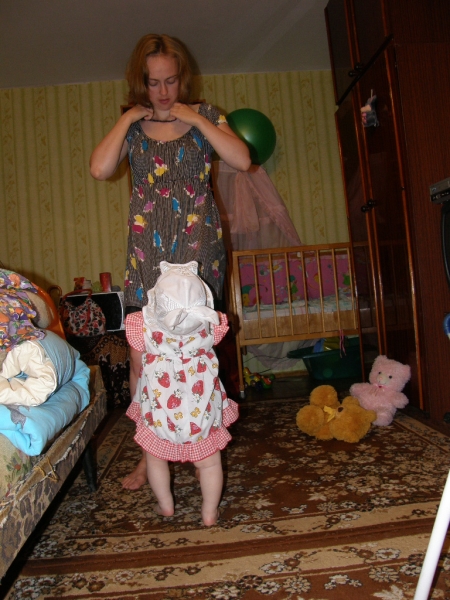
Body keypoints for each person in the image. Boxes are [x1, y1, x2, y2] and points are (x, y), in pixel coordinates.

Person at [90, 34, 251, 490]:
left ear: (183, 78)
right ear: (141, 82)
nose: (163, 91)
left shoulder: (207, 116)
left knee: (195, 355)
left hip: (199, 253)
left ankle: (205, 447)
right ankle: (151, 452)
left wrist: (195, 117)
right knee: (142, 356)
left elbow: (242, 159)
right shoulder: (134, 127)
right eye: (153, 82)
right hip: (146, 256)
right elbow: (100, 169)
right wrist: (127, 118)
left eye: (171, 81)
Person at [125, 260, 238, 526]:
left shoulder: (141, 325)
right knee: (209, 464)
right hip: (202, 412)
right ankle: (209, 513)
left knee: (156, 459)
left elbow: (137, 366)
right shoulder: (212, 324)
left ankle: (166, 505)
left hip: (160, 410)